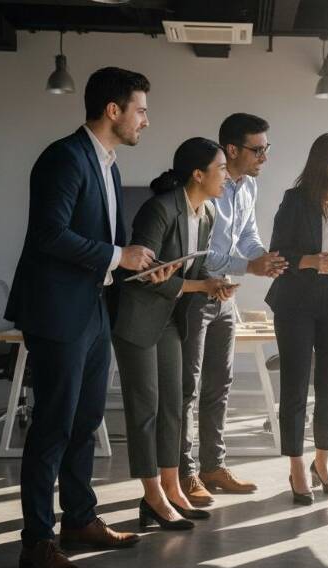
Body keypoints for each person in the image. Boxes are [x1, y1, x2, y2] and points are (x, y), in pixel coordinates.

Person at [5, 67, 154, 568]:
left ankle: (79, 519)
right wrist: (117, 255)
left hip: (94, 307)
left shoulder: (108, 165)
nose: (145, 121)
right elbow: (48, 235)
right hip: (58, 311)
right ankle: (36, 542)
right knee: (53, 426)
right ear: (113, 110)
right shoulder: (64, 158)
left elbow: (107, 245)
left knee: (87, 421)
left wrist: (137, 265)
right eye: (140, 110)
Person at [112, 138, 235, 530]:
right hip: (137, 317)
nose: (227, 176)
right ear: (198, 174)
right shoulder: (160, 209)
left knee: (173, 403)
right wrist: (199, 285)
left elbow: (194, 270)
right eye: (221, 168)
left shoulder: (208, 212)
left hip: (169, 317)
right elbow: (138, 271)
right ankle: (152, 495)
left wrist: (214, 283)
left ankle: (172, 487)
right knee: (145, 406)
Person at [178, 113, 288, 505]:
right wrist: (248, 266)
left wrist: (263, 257)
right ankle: (185, 473)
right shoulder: (207, 185)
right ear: (232, 149)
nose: (264, 157)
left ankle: (213, 466)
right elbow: (201, 254)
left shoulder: (247, 187)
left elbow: (247, 236)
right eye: (258, 150)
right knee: (187, 387)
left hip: (225, 295)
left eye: (266, 149)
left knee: (220, 383)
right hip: (195, 292)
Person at [266, 132, 328, 505]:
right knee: (295, 387)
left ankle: (321, 462)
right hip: (295, 302)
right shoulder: (296, 200)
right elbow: (277, 253)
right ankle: (296, 466)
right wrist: (309, 261)